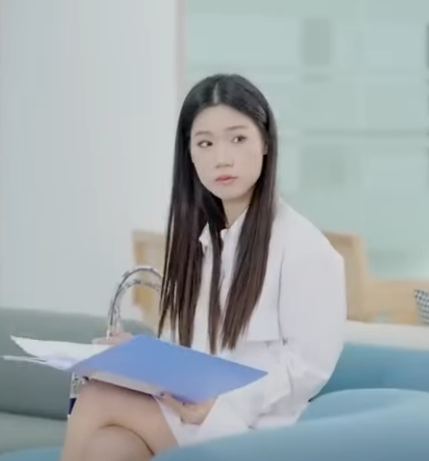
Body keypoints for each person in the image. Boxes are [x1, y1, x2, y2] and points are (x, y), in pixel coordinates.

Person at [60, 73, 346, 461]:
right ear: (190, 154)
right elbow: (195, 351)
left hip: (253, 429)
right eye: (205, 143)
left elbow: (306, 368)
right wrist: (142, 356)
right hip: (196, 414)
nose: (221, 158)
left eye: (237, 139)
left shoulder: (304, 248)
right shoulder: (207, 244)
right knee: (108, 447)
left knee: (100, 396)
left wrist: (221, 401)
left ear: (265, 142)